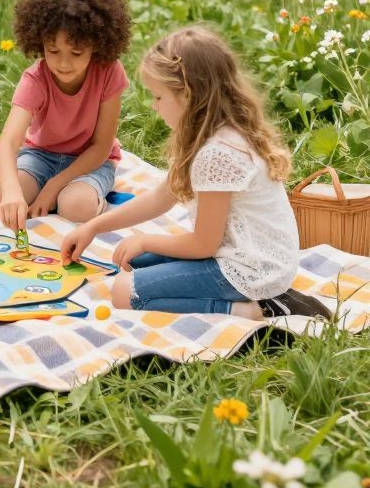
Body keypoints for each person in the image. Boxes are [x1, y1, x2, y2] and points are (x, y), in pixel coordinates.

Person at [62, 27, 330, 319]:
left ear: (188, 96)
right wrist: (92, 227)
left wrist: (145, 240)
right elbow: (159, 199)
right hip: (240, 257)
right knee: (133, 263)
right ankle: (256, 299)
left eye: (158, 97)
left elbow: (203, 244)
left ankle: (255, 310)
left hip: (249, 271)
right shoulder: (206, 137)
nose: (154, 106)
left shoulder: (218, 153)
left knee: (124, 291)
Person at [0, 0, 132, 228]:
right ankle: (47, 195)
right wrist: (12, 192)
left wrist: (54, 186)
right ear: (39, 44)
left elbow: (101, 146)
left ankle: (89, 196)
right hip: (40, 156)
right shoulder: (36, 79)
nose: (63, 63)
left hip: (90, 160)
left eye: (75, 52)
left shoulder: (109, 71)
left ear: (96, 44)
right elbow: (8, 142)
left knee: (76, 206)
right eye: (53, 51)